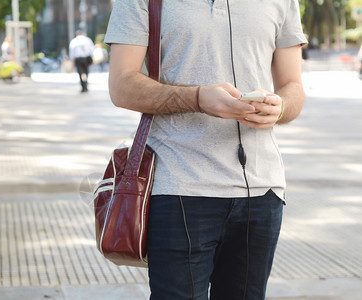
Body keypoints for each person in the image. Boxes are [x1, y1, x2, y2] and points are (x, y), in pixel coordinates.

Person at [105, 1, 307, 299]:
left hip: (262, 191)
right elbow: (121, 85)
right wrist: (197, 99)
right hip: (179, 186)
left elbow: (293, 85)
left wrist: (281, 107)